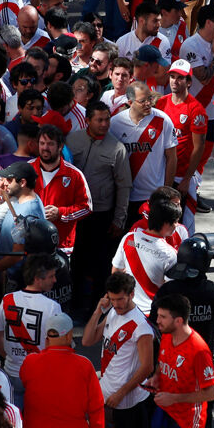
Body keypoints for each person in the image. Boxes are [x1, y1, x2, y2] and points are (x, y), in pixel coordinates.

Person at [156, 236, 214, 428]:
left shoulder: (168, 290)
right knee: (202, 411)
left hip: (171, 361)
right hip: (201, 361)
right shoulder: (213, 291)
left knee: (170, 406)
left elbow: (155, 323)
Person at [81, 272, 153, 428]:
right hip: (110, 394)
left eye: (120, 299)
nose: (116, 304)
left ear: (132, 294)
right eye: (112, 299)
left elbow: (147, 367)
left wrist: (120, 393)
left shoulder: (141, 327)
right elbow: (87, 340)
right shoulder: (112, 311)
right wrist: (99, 310)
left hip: (121, 401)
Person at [20, 313, 105, 428]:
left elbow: (25, 381)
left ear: (47, 338)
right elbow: (96, 406)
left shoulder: (30, 362)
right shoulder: (84, 366)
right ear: (68, 337)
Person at [149, 293, 214, 428]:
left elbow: (212, 393)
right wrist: (156, 377)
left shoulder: (198, 351)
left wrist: (174, 398)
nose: (157, 321)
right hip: (168, 414)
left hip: (187, 422)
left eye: (162, 317)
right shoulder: (168, 335)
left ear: (178, 320)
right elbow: (163, 362)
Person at [67, 101, 132, 310]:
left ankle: (96, 308)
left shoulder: (117, 149)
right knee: (76, 261)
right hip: (75, 214)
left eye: (107, 119)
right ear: (88, 121)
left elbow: (124, 186)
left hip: (101, 215)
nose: (105, 124)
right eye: (100, 120)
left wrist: (119, 219)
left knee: (100, 265)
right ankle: (74, 304)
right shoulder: (72, 140)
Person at [0, 254, 63, 408]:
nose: (55, 280)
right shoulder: (52, 307)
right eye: (51, 276)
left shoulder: (7, 299)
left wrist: (10, 357)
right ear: (38, 279)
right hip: (39, 376)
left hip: (10, 372)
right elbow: (58, 347)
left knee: (13, 422)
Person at [109, 81, 179, 228]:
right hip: (125, 197)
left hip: (153, 197)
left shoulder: (163, 120)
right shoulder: (115, 123)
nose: (148, 103)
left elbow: (172, 157)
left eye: (150, 98)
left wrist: (166, 190)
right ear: (129, 102)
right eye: (142, 101)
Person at [156, 59, 208, 233]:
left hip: (182, 177)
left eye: (180, 78)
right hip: (161, 173)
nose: (175, 81)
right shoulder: (161, 103)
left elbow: (198, 147)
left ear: (189, 82)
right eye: (172, 76)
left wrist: (187, 179)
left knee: (183, 226)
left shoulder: (196, 109)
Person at [111, 199, 181, 316]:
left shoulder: (129, 238)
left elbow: (116, 272)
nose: (177, 225)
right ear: (165, 223)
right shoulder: (170, 254)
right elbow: (170, 291)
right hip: (151, 315)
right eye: (175, 221)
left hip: (125, 309)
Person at [30, 124, 93, 251]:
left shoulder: (74, 175)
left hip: (61, 245)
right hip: (31, 243)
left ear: (60, 147)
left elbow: (86, 207)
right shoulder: (27, 169)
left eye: (50, 144)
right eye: (42, 143)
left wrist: (60, 213)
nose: (45, 148)